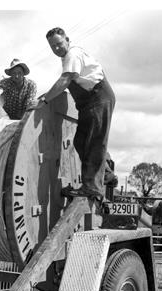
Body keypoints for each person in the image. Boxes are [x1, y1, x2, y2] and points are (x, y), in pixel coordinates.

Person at [32, 27, 116, 200]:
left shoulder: (72, 55)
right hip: (89, 102)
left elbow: (66, 79)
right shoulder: (67, 57)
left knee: (93, 141)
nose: (56, 48)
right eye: (52, 46)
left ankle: (91, 187)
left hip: (98, 97)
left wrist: (44, 100)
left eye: (59, 43)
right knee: (80, 141)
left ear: (67, 40)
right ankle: (106, 175)